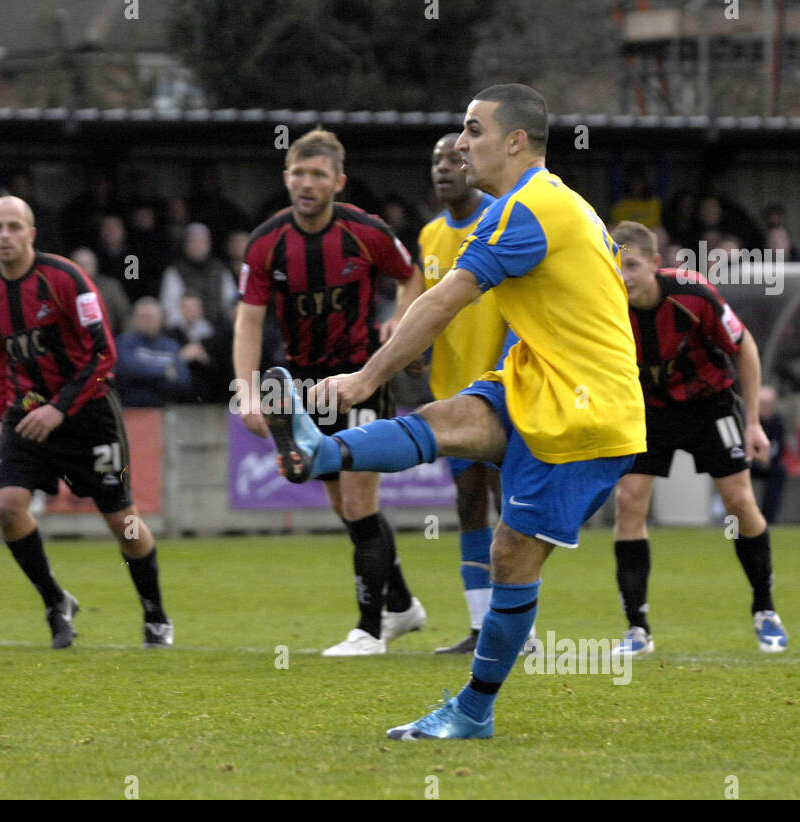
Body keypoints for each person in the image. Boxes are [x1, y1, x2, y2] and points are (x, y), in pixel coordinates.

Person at [262, 84, 645, 739]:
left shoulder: (528, 211)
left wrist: (363, 379)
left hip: (589, 414)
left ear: (516, 141)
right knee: (442, 421)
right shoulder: (546, 204)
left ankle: (472, 711)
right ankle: (316, 450)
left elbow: (441, 303)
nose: (461, 144)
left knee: (509, 558)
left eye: (472, 130)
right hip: (537, 379)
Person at [234, 126, 427, 657]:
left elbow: (411, 278)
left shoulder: (366, 232)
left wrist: (399, 322)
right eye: (298, 172)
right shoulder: (266, 242)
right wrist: (247, 392)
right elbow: (248, 321)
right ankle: (402, 604)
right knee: (345, 505)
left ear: (338, 181)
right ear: (286, 177)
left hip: (361, 378)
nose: (306, 182)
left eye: (318, 174)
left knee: (361, 498)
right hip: (301, 386)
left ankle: (369, 631)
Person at [0, 195, 174, 650]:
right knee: (7, 504)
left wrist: (59, 408)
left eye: (13, 226)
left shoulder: (65, 279)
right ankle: (54, 600)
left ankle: (156, 615)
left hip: (89, 415)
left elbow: (105, 355)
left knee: (121, 522)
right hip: (28, 415)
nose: (5, 235)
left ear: (31, 233)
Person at [607, 222, 787, 656]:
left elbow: (743, 345)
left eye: (632, 264)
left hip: (710, 404)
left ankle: (765, 609)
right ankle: (637, 629)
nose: (624, 274)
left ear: (654, 263)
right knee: (629, 502)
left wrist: (753, 424)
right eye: (617, 264)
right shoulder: (604, 303)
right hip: (649, 411)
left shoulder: (695, 293)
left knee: (739, 503)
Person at [412, 133, 523, 656]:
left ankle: (516, 629)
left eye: (454, 159)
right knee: (468, 502)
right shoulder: (429, 236)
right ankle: (480, 627)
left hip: (504, 391)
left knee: (510, 505)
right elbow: (420, 301)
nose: (444, 169)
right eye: (436, 162)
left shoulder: (503, 218)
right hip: (451, 391)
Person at [114, 297, 192, 407]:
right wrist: (165, 371)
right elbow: (127, 370)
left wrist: (144, 372)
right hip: (132, 408)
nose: (148, 321)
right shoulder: (124, 343)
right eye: (143, 317)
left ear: (161, 320)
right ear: (134, 320)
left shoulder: (171, 346)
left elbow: (183, 380)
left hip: (165, 408)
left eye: (152, 317)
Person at [749, 384, 788, 524]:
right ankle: (745, 518)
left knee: (779, 472)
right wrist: (756, 459)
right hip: (749, 463)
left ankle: (768, 520)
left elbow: (779, 446)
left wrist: (767, 459)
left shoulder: (778, 422)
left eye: (770, 404)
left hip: (769, 463)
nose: (767, 408)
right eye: (763, 404)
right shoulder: (749, 421)